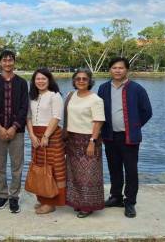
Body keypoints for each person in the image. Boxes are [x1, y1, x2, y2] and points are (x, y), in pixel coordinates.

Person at [98, 57, 152, 218]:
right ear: (110, 70)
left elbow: (147, 111)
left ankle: (130, 202)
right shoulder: (103, 88)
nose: (117, 70)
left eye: (121, 68)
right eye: (114, 68)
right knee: (114, 169)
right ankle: (116, 197)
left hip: (129, 137)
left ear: (126, 70)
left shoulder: (137, 88)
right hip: (109, 136)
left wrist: (134, 126)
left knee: (131, 171)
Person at [0, 50, 28, 213]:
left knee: (17, 166)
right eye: (4, 60)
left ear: (14, 62)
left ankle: (14, 196)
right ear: (0, 63)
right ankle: (2, 195)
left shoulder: (21, 82)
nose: (7, 63)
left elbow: (24, 107)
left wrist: (14, 127)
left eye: (10, 60)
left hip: (16, 131)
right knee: (0, 165)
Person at [65, 69, 105, 218]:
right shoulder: (70, 95)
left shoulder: (95, 99)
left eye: (84, 79)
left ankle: (88, 206)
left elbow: (99, 121)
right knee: (74, 174)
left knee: (89, 175)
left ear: (90, 81)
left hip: (89, 139)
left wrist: (92, 141)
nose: (81, 81)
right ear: (74, 81)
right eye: (78, 79)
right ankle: (78, 202)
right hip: (72, 139)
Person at [26, 68, 66, 214]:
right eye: (38, 79)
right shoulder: (31, 96)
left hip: (51, 136)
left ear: (49, 80)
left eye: (43, 79)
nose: (40, 81)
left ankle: (52, 203)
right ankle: (43, 199)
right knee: (39, 167)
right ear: (34, 81)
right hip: (35, 136)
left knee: (53, 168)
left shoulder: (54, 95)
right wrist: (31, 135)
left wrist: (46, 136)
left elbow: (56, 117)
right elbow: (28, 117)